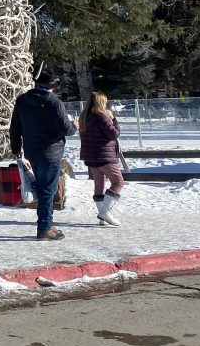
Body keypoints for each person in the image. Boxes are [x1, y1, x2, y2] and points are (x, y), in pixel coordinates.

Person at [9, 69, 77, 241]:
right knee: (48, 190)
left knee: (43, 188)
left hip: (32, 150)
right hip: (51, 151)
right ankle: (44, 227)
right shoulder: (53, 102)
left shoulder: (23, 100)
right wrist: (74, 125)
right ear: (53, 86)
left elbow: (15, 127)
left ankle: (47, 223)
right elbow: (65, 129)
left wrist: (16, 147)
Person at [79, 91, 125, 226]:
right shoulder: (102, 117)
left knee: (99, 185)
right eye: (104, 102)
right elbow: (114, 134)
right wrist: (114, 120)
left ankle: (102, 217)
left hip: (91, 156)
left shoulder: (84, 116)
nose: (106, 104)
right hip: (104, 156)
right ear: (100, 103)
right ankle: (106, 213)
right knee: (118, 182)